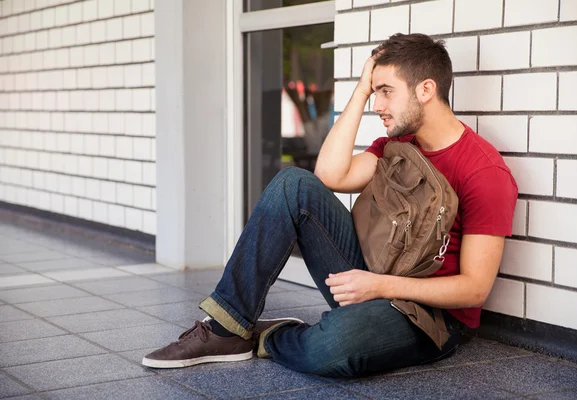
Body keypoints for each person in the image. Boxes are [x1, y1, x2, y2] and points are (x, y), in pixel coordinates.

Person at [142, 33, 518, 378]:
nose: (378, 105)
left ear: (425, 89)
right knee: (294, 184)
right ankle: (226, 328)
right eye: (375, 92)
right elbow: (329, 176)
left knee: (333, 348)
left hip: (430, 318)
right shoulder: (398, 147)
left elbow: (474, 289)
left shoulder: (483, 170)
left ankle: (272, 335)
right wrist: (359, 90)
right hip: (369, 278)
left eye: (385, 91)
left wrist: (380, 287)